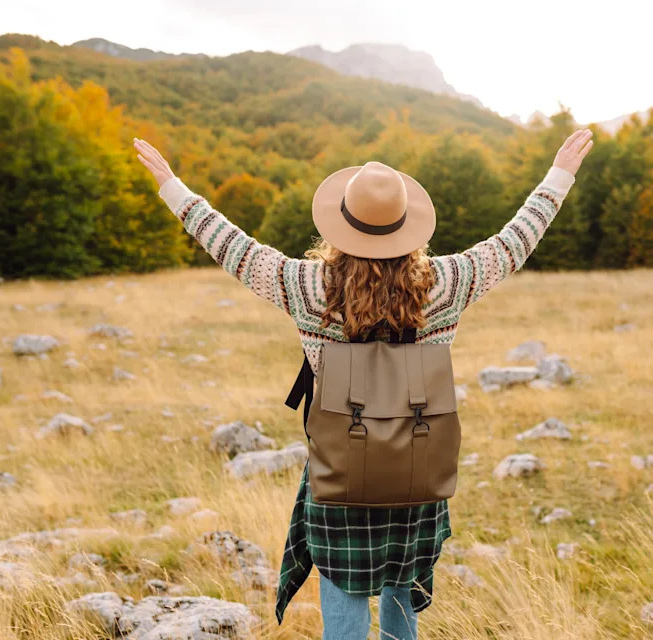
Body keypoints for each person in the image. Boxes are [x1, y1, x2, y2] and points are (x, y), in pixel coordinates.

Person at [134, 128, 594, 640]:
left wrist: (172, 186)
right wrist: (558, 177)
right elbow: (514, 242)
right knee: (402, 602)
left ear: (339, 225)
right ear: (408, 226)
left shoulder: (305, 287)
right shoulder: (446, 284)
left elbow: (232, 247)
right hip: (418, 471)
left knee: (345, 607)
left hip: (340, 475)